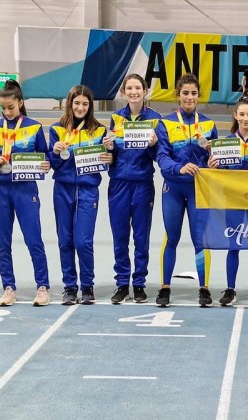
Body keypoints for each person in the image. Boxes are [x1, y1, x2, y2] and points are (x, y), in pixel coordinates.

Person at [0, 80, 51, 307]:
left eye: (10, 107)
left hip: (25, 190)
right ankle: (8, 287)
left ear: (20, 102)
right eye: (2, 108)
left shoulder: (34, 127)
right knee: (3, 241)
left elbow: (45, 157)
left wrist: (47, 164)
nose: (7, 112)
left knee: (34, 239)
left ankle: (42, 286)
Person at [155, 73, 218, 307]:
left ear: (198, 95)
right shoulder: (166, 123)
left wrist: (214, 160)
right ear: (178, 95)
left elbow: (217, 156)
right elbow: (161, 156)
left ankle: (204, 288)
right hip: (172, 187)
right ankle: (164, 288)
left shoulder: (209, 125)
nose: (189, 97)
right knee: (171, 237)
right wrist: (179, 168)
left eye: (193, 93)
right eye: (185, 93)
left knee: (200, 239)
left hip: (199, 189)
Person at [49, 85, 111, 305]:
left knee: (83, 241)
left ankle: (87, 286)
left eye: (85, 104)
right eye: (77, 103)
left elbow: (108, 160)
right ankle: (69, 287)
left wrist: (109, 155)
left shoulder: (100, 131)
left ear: (90, 106)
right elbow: (53, 165)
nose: (80, 107)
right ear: (70, 103)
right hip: (63, 190)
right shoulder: (56, 130)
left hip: (87, 190)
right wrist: (55, 152)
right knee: (65, 241)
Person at [104, 74, 161, 304]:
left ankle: (138, 284)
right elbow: (112, 153)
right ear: (124, 92)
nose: (134, 91)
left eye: (138, 87)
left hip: (142, 184)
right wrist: (109, 148)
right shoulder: (116, 118)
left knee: (140, 236)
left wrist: (154, 146)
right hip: (118, 184)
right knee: (120, 236)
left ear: (145, 91)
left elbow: (160, 156)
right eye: (130, 88)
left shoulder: (155, 120)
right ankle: (121, 283)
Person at [207, 97, 248, 307]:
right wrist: (213, 167)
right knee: (233, 245)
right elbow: (219, 174)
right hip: (232, 201)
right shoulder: (226, 143)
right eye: (242, 114)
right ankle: (231, 289)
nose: (245, 119)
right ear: (235, 115)